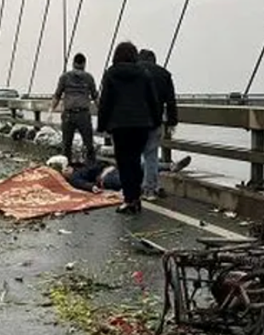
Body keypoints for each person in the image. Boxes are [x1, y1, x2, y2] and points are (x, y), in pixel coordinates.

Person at [97, 41, 161, 214]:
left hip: (120, 125)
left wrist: (101, 125)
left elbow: (105, 102)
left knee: (125, 162)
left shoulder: (111, 74)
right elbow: (152, 99)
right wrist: (155, 121)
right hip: (141, 124)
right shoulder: (144, 73)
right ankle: (136, 197)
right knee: (136, 159)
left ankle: (129, 199)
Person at [138, 49, 178, 201]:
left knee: (134, 154)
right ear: (154, 60)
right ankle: (150, 189)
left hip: (135, 121)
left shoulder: (134, 71)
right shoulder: (164, 74)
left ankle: (138, 188)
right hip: (155, 121)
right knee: (151, 155)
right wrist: (172, 122)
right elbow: (171, 101)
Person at [51, 155, 192, 193]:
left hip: (113, 169)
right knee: (128, 181)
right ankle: (150, 189)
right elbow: (79, 183)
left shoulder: (79, 165)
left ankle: (170, 166)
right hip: (105, 178)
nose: (67, 169)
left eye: (67, 167)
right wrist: (91, 187)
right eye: (64, 170)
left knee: (140, 166)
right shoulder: (75, 177)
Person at [50, 52, 98, 164]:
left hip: (68, 114)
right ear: (84, 64)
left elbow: (57, 95)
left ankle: (66, 166)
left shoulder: (64, 77)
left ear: (73, 63)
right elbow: (95, 97)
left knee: (67, 144)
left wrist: (51, 111)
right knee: (88, 143)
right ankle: (91, 166)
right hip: (83, 114)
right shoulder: (89, 78)